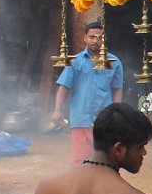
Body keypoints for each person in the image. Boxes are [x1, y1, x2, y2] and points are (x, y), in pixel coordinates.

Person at [51, 23, 123, 165]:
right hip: (81, 117)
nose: (96, 41)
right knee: (81, 160)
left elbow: (117, 89)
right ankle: (82, 187)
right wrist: (57, 110)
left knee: (105, 159)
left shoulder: (115, 63)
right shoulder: (75, 62)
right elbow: (64, 86)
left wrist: (117, 113)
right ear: (84, 38)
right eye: (92, 37)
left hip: (105, 119)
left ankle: (101, 187)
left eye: (100, 37)